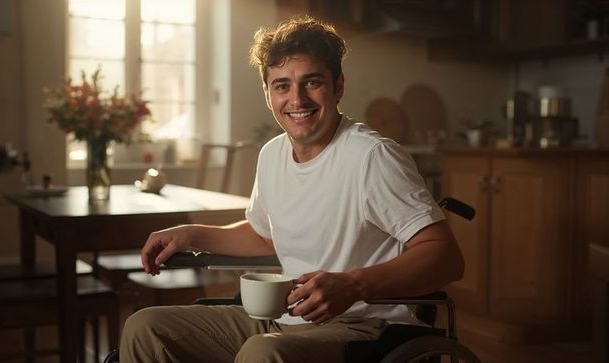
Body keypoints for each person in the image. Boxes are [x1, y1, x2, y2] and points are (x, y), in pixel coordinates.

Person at [120, 16, 464, 363]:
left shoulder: (371, 157)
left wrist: (355, 285)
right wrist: (192, 234)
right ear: (268, 94)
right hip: (283, 319)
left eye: (311, 82)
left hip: (363, 325)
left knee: (263, 352)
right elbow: (264, 237)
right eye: (282, 85)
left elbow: (446, 258)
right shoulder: (272, 155)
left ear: (337, 86)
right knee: (145, 327)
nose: (297, 98)